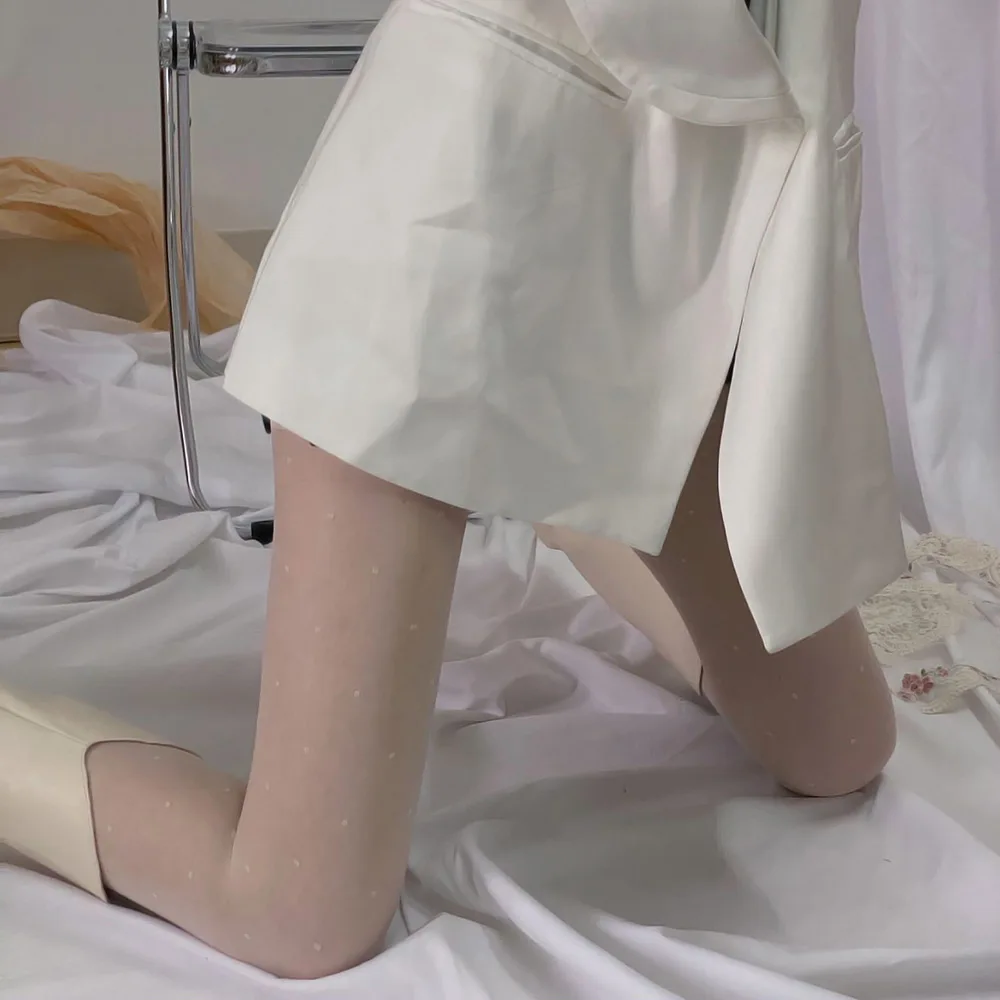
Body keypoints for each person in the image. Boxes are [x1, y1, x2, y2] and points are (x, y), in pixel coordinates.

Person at [0, 0, 906, 980]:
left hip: (671, 296)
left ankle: (567, 496)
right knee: (299, 914)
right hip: (436, 270)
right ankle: (547, 466)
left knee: (842, 747)